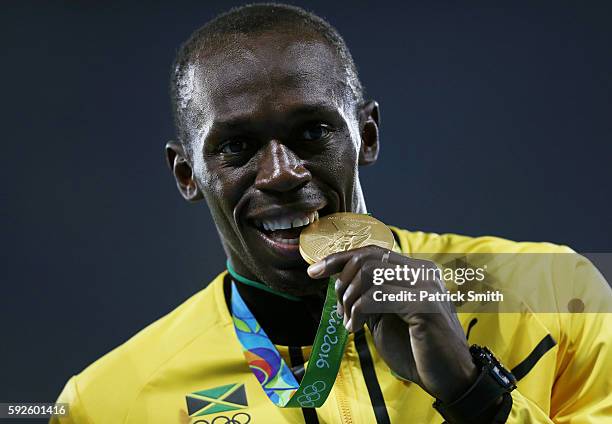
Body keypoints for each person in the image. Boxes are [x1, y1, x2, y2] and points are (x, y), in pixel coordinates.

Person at [52, 4, 612, 423]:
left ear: (366, 135)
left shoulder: (556, 294)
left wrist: (471, 391)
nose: (279, 173)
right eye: (236, 148)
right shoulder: (106, 401)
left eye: (313, 132)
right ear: (187, 175)